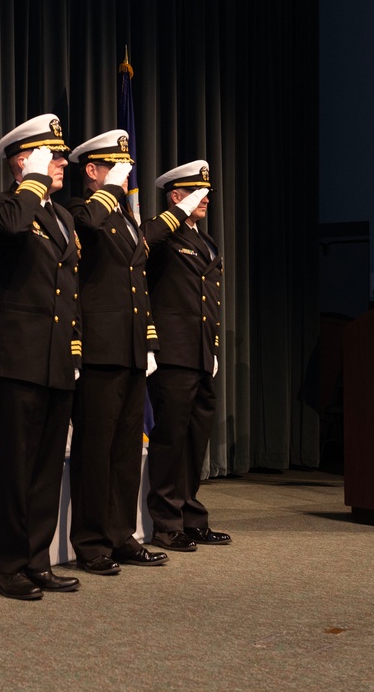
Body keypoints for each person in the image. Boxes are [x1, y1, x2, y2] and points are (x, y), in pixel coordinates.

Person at [0, 114, 82, 600]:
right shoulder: (4, 204)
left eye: (60, 156)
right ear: (23, 160)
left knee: (47, 466)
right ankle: (8, 567)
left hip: (57, 358)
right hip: (18, 357)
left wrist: (75, 347)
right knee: (16, 466)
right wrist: (33, 182)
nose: (63, 163)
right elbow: (11, 229)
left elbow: (70, 289)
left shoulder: (63, 218)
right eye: (52, 155)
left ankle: (37, 559)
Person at [64, 129, 168, 575]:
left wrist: (148, 342)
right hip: (97, 348)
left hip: (128, 348)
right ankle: (91, 542)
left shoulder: (126, 219)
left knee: (127, 449)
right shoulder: (77, 210)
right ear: (92, 171)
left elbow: (137, 283)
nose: (125, 175)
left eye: (126, 168)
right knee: (96, 448)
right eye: (114, 166)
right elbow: (86, 226)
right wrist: (109, 190)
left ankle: (122, 534)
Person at [141, 160, 232, 553]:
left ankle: (191, 514)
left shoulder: (206, 241)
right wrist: (173, 215)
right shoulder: (162, 233)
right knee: (170, 439)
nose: (205, 199)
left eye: (207, 192)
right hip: (172, 352)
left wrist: (212, 349)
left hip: (200, 352)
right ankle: (165, 522)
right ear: (176, 196)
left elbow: (206, 301)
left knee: (195, 439)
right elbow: (143, 242)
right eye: (196, 192)